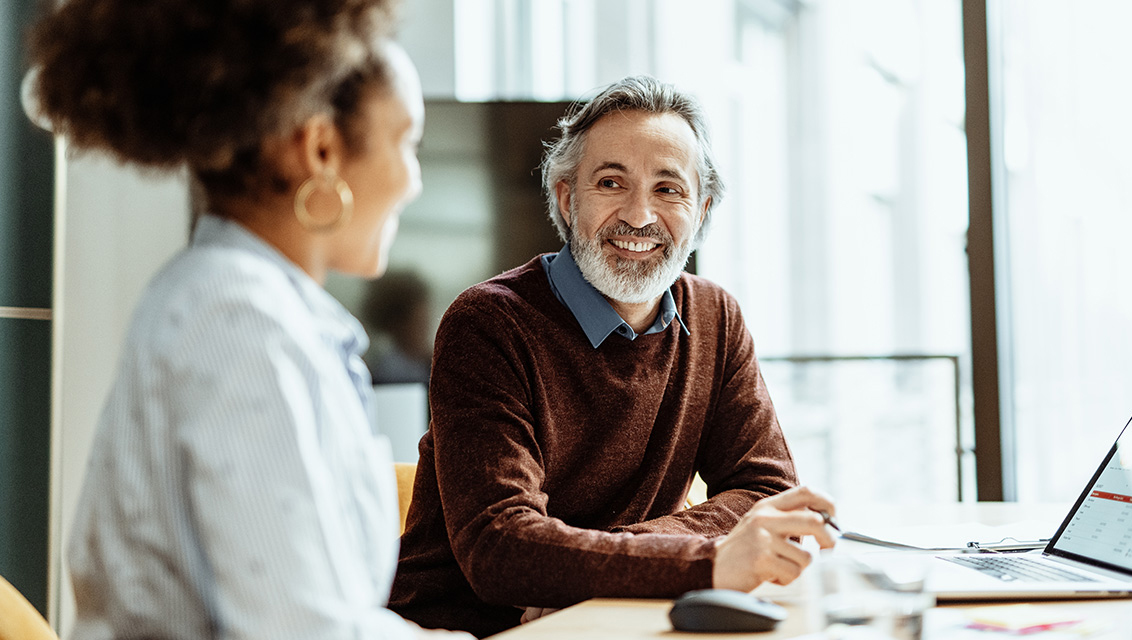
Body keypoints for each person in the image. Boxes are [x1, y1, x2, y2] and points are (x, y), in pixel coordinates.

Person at [28, 1, 470, 638]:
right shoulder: (241, 322)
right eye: (407, 142)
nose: (414, 181)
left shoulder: (240, 303)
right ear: (319, 149)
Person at [390, 75, 836, 638]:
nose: (640, 215)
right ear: (567, 198)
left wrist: (588, 576)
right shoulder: (488, 323)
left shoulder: (716, 317)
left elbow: (766, 491)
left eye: (669, 189)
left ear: (700, 211)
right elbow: (499, 546)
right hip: (474, 630)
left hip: (630, 617)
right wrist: (704, 562)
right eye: (610, 182)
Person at [363, 269, 433, 386]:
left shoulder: (428, 362)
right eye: (419, 325)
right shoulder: (389, 372)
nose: (426, 330)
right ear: (396, 325)